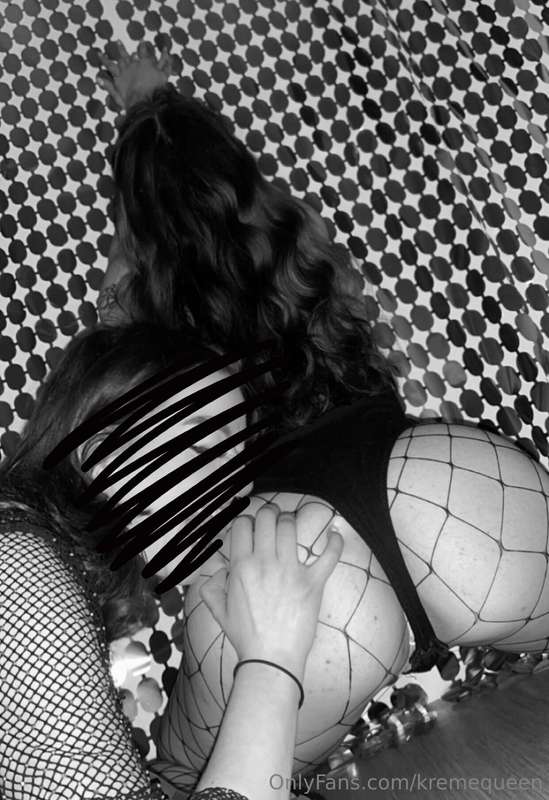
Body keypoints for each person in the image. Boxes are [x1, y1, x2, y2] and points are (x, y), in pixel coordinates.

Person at [96, 43, 549, 788]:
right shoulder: (293, 238)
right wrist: (157, 108)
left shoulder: (134, 304)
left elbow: (117, 296)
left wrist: (133, 207)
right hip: (440, 484)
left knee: (178, 780)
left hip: (286, 554)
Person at [0, 323, 343, 800]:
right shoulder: (14, 562)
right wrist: (272, 660)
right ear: (99, 450)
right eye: (204, 448)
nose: (239, 492)